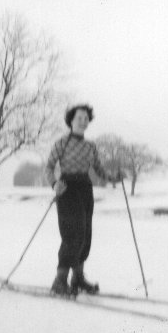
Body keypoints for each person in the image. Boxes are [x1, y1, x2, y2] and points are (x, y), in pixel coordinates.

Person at [47, 104, 116, 296]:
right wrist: (54, 183)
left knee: (85, 234)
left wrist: (114, 176)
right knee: (72, 234)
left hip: (85, 189)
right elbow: (49, 167)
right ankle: (59, 281)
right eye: (79, 117)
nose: (83, 121)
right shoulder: (62, 143)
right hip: (67, 189)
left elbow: (99, 169)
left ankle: (77, 278)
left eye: (86, 118)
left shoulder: (90, 146)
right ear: (71, 120)